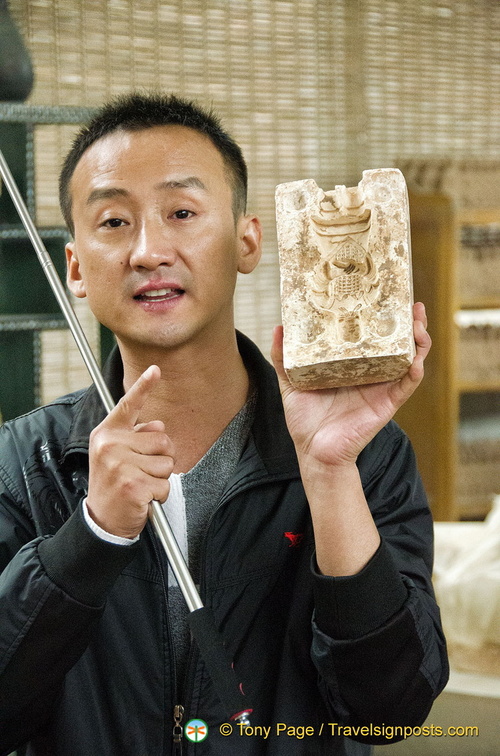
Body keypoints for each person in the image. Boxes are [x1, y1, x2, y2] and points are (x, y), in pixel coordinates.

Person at [0, 93, 448, 756]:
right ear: (75, 270)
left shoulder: (366, 457)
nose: (149, 251)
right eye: (115, 221)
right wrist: (91, 535)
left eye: (181, 212)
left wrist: (327, 475)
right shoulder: (23, 463)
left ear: (247, 241)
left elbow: (389, 708)